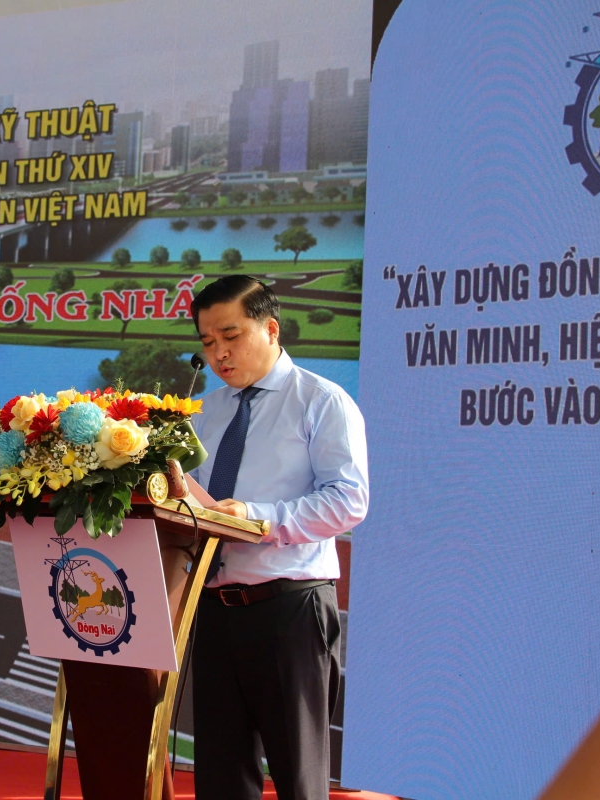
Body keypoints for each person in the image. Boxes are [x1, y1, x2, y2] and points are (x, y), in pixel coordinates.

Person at [188, 275, 369, 800]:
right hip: (213, 607)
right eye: (207, 342)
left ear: (271, 329)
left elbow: (348, 500)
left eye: (231, 336)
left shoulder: (321, 401)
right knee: (221, 776)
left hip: (289, 609)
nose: (219, 353)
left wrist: (255, 518)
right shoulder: (205, 411)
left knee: (298, 778)